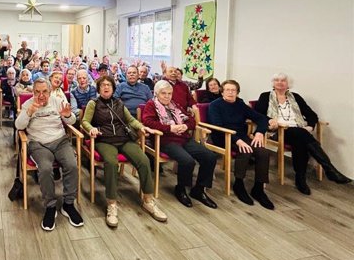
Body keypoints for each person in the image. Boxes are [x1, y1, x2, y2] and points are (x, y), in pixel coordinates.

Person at [81, 76, 167, 228]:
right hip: (105, 140)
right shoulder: (93, 103)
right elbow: (85, 121)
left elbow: (130, 120)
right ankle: (112, 204)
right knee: (111, 163)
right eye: (103, 85)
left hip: (124, 139)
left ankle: (148, 200)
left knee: (144, 160)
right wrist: (91, 129)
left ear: (113, 88)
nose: (106, 87)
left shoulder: (119, 103)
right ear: (99, 89)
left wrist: (141, 127)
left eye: (108, 85)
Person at [255, 73, 351, 194]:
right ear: (273, 83)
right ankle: (327, 170)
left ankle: (301, 179)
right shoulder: (265, 96)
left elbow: (312, 115)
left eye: (283, 80)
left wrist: (310, 127)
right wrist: (270, 121)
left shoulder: (295, 97)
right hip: (277, 131)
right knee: (301, 136)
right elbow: (257, 115)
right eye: (277, 80)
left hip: (298, 131)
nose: (280, 82)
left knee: (300, 141)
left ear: (288, 84)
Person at [15, 78, 83, 231]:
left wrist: (67, 115)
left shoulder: (57, 101)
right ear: (33, 92)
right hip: (38, 143)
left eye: (44, 91)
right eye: (37, 92)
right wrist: (29, 112)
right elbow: (18, 126)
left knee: (72, 165)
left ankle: (68, 204)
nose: (41, 95)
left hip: (60, 140)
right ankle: (50, 206)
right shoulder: (28, 104)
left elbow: (71, 121)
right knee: (45, 169)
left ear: (50, 91)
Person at [142, 81, 217, 208]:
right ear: (156, 93)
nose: (167, 96)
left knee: (210, 156)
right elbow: (148, 122)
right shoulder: (151, 105)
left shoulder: (175, 105)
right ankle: (181, 189)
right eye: (163, 93)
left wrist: (185, 125)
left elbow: (192, 121)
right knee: (187, 161)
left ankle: (199, 189)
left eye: (169, 93)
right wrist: (170, 128)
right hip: (165, 140)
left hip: (183, 138)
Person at [207, 80, 274, 209]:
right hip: (223, 137)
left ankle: (258, 188)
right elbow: (217, 126)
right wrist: (237, 140)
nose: (231, 92)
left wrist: (259, 132)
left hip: (242, 136)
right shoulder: (215, 105)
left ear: (237, 92)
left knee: (263, 152)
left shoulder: (240, 104)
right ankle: (239, 184)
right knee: (245, 150)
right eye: (227, 90)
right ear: (222, 91)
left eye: (234, 90)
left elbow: (260, 118)